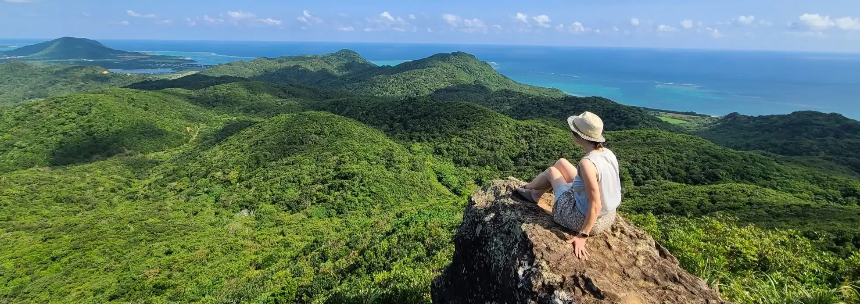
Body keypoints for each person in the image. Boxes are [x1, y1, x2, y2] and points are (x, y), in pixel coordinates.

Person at [515, 111, 622, 260]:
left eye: (573, 131)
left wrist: (583, 235)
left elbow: (595, 204)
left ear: (579, 136)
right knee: (561, 162)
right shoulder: (608, 154)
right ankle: (535, 192)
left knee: (552, 171)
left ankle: (529, 189)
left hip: (583, 218)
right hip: (609, 216)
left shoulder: (587, 163)